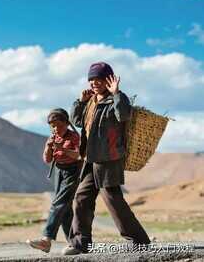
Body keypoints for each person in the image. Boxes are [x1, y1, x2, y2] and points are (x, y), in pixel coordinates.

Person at [63, 62, 150, 255]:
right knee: (81, 198)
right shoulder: (91, 102)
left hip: (109, 159)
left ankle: (139, 241)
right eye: (91, 79)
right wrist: (80, 102)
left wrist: (117, 93)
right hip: (90, 160)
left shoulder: (117, 99)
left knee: (113, 200)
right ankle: (80, 243)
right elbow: (77, 122)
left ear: (108, 79)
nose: (94, 83)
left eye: (99, 79)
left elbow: (124, 116)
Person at [26, 108, 82, 253]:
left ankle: (46, 240)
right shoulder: (52, 137)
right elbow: (47, 159)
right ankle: (75, 243)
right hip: (59, 172)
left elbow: (78, 155)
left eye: (58, 124)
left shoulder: (74, 137)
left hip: (73, 171)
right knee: (65, 209)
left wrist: (61, 149)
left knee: (59, 203)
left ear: (66, 123)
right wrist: (49, 148)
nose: (56, 128)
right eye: (52, 125)